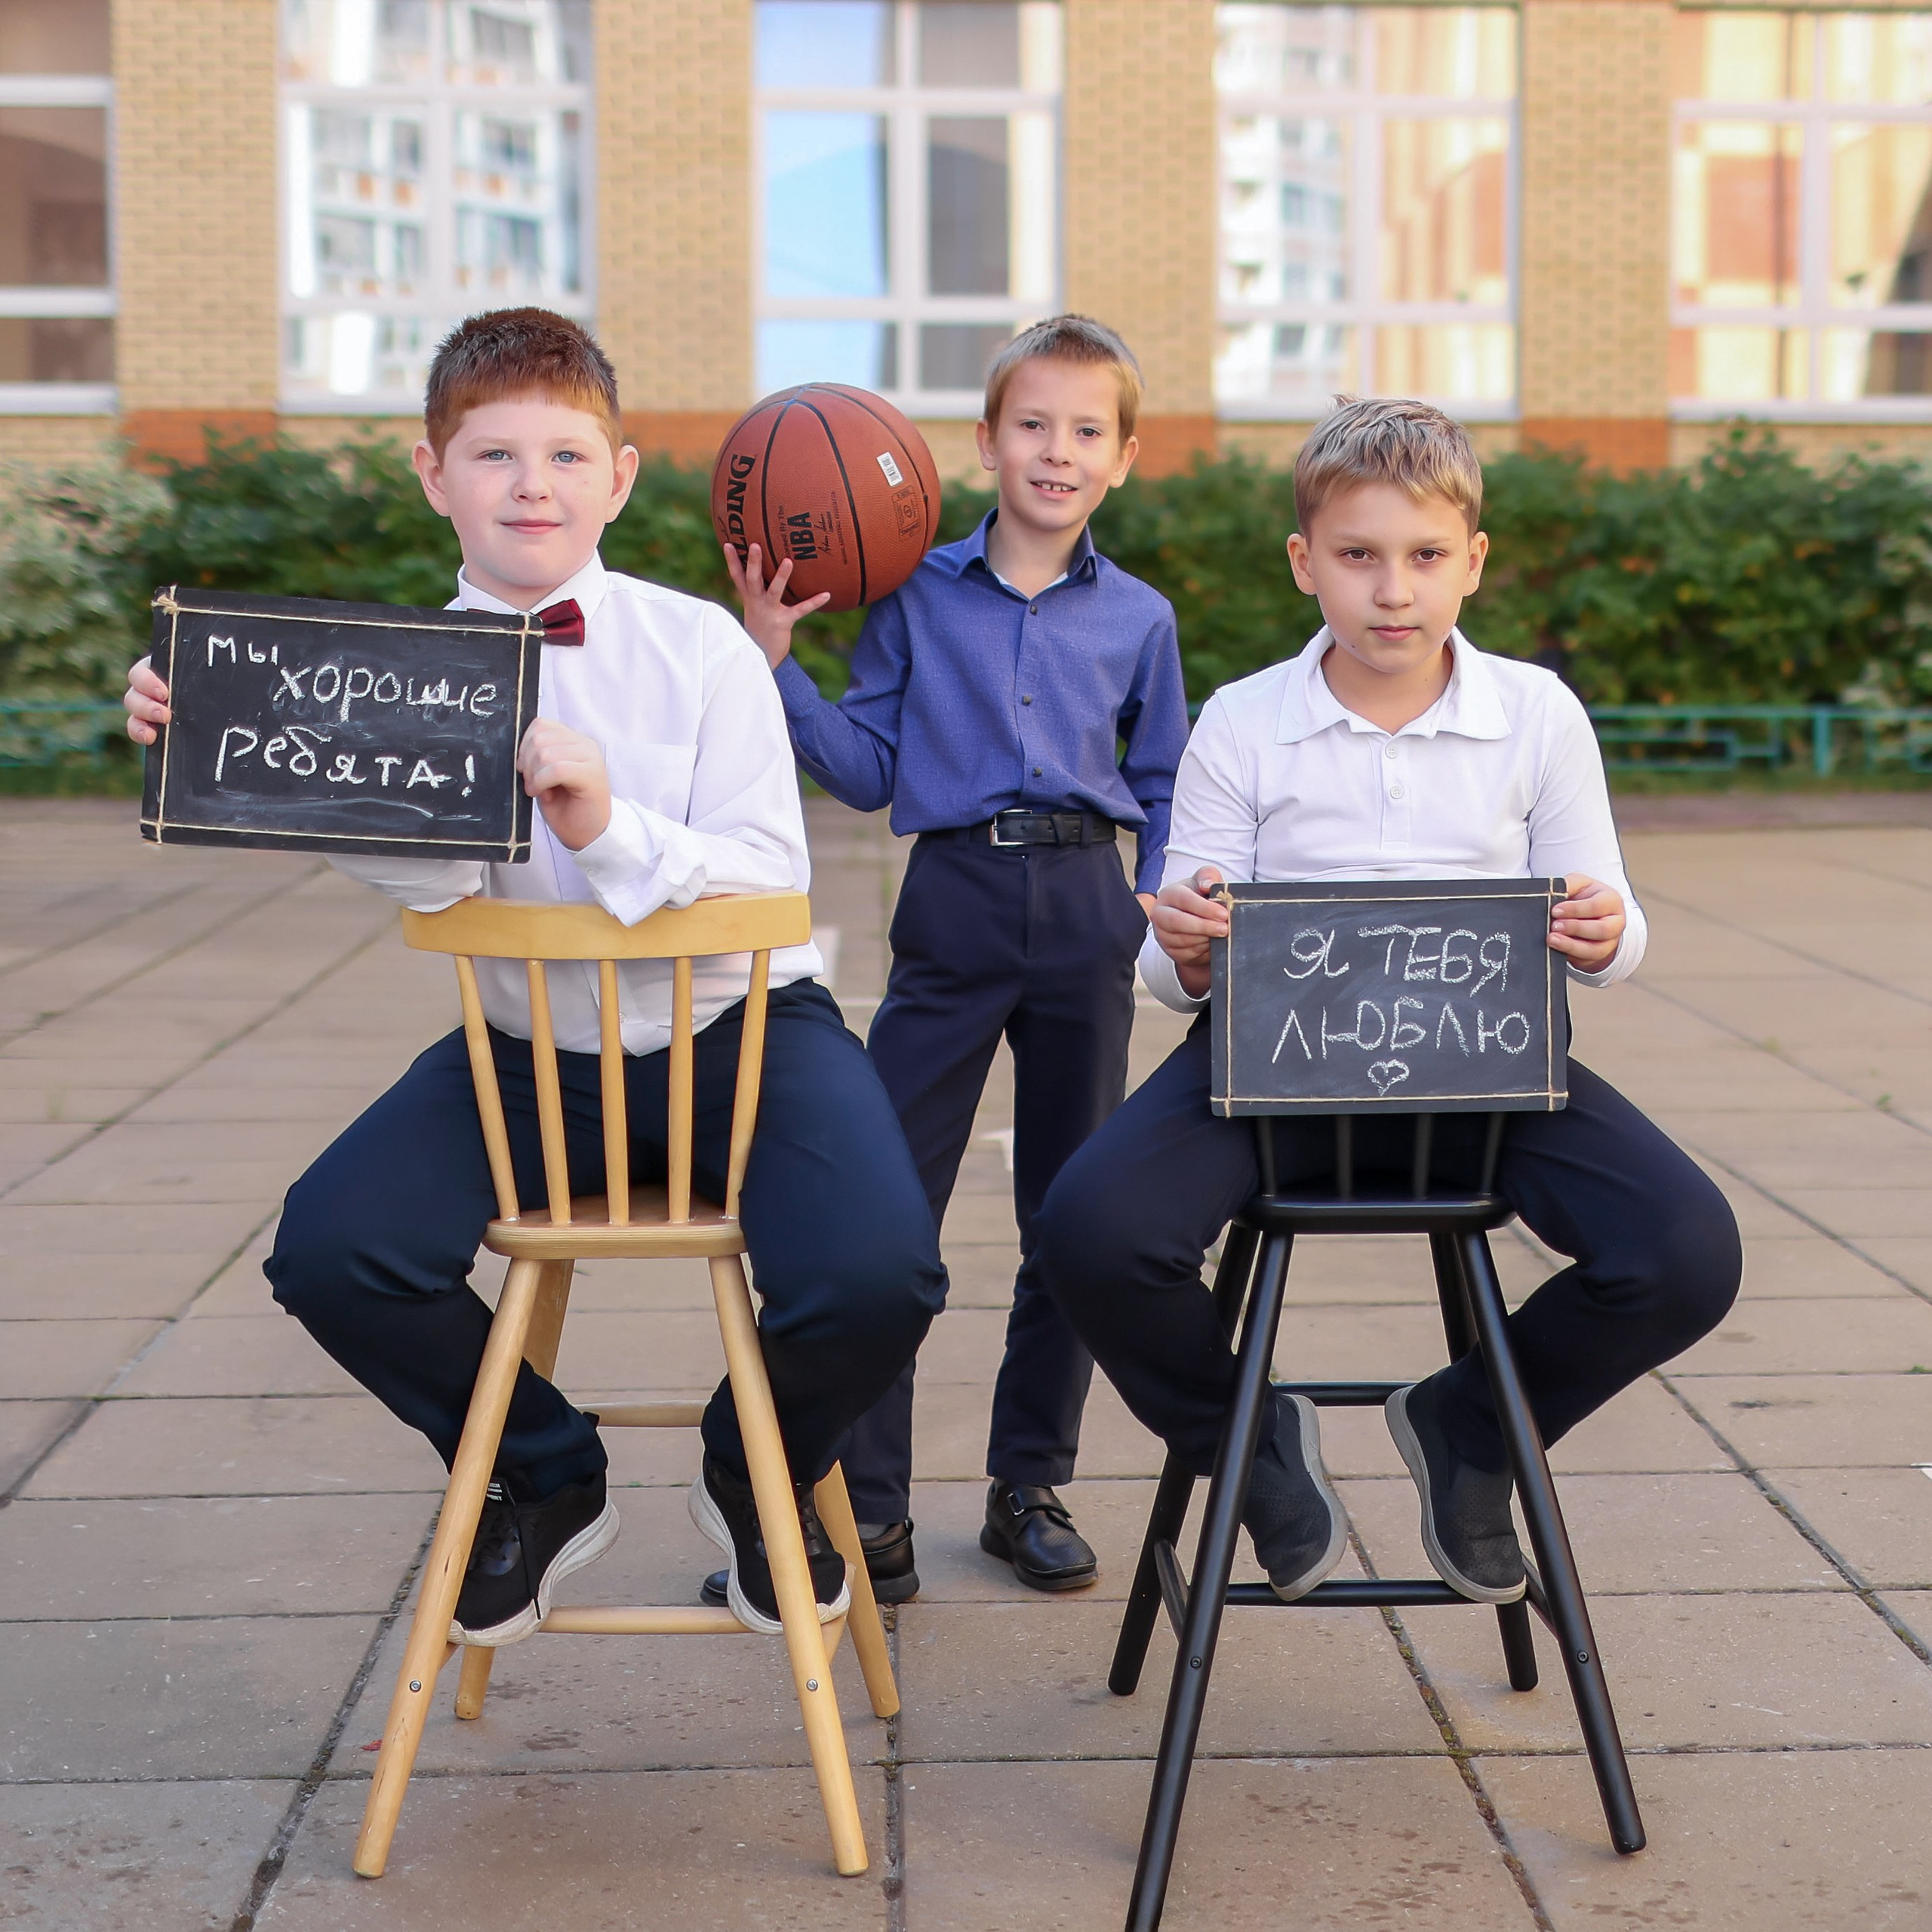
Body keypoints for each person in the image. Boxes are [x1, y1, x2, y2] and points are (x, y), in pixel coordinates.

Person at [122, 308, 946, 1642]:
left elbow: (763, 880)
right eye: (494, 455)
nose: (531, 486)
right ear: (433, 474)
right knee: (335, 1252)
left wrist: (602, 825)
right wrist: (211, 737)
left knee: (881, 1274)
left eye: (566, 456)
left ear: (618, 477)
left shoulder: (705, 650)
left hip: (744, 1035)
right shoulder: (377, 686)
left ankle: (756, 1464)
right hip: (525, 1050)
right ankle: (545, 1465)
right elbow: (433, 888)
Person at [1029, 396, 1743, 1605]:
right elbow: (1167, 961)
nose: (1392, 590)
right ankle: (1249, 1447)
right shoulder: (1247, 722)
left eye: (1423, 557)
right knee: (1089, 1227)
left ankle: (1472, 1427)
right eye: (1359, 557)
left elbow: (1607, 916)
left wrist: (1606, 929)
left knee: (1686, 1251)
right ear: (1308, 564)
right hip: (1264, 1078)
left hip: (1491, 1073)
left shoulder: (1536, 714)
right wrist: (1191, 950)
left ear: (1473, 562)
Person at [728, 316, 1189, 1599]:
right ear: (985, 444)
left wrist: (1160, 917)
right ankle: (872, 1510)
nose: (1057, 450)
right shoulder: (913, 593)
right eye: (1032, 425)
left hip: (1088, 909)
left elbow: (1160, 782)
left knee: (1072, 1212)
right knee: (890, 1210)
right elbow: (872, 770)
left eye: (1085, 431)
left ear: (1123, 457)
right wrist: (779, 668)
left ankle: (1028, 1483)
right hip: (955, 901)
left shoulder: (1142, 619)